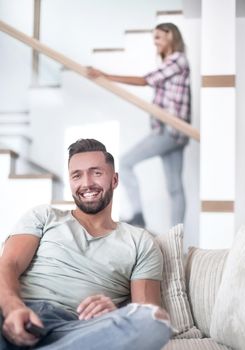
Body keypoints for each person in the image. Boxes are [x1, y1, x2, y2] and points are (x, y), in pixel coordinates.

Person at [0, 138, 172, 350]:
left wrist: (114, 314)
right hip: (18, 313)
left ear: (115, 180)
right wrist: (14, 309)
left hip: (77, 330)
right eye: (77, 175)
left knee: (154, 322)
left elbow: (147, 309)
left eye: (96, 173)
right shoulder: (44, 216)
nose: (87, 183)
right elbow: (7, 266)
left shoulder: (140, 241)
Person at [86, 23, 191, 228]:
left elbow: (145, 80)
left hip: (169, 131)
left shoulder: (177, 59)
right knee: (175, 188)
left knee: (124, 162)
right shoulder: (174, 62)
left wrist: (105, 75)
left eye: (158, 38)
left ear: (171, 36)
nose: (156, 43)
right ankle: (177, 234)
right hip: (173, 133)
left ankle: (138, 214)